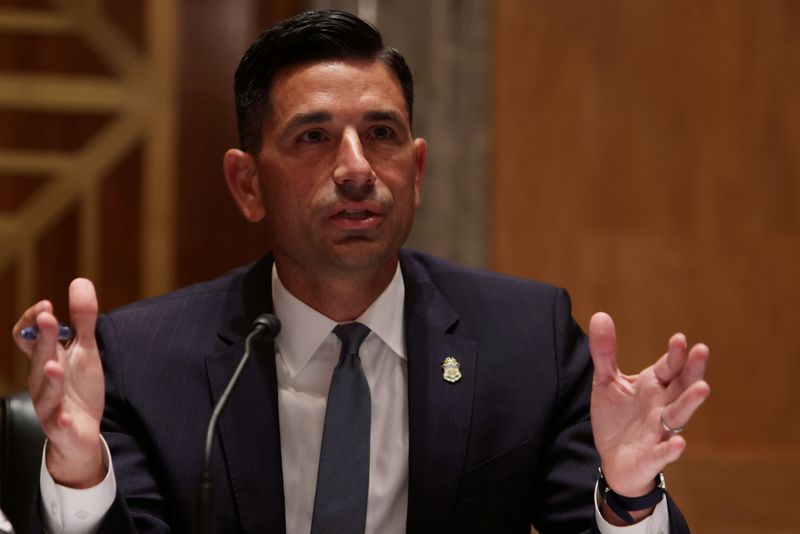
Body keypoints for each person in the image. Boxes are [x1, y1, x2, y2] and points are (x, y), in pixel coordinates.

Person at [13, 9, 710, 534]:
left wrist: (627, 494)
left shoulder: (525, 341)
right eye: (313, 137)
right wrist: (80, 468)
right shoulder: (147, 359)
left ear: (418, 168)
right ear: (247, 183)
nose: (355, 169)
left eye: (382, 134)